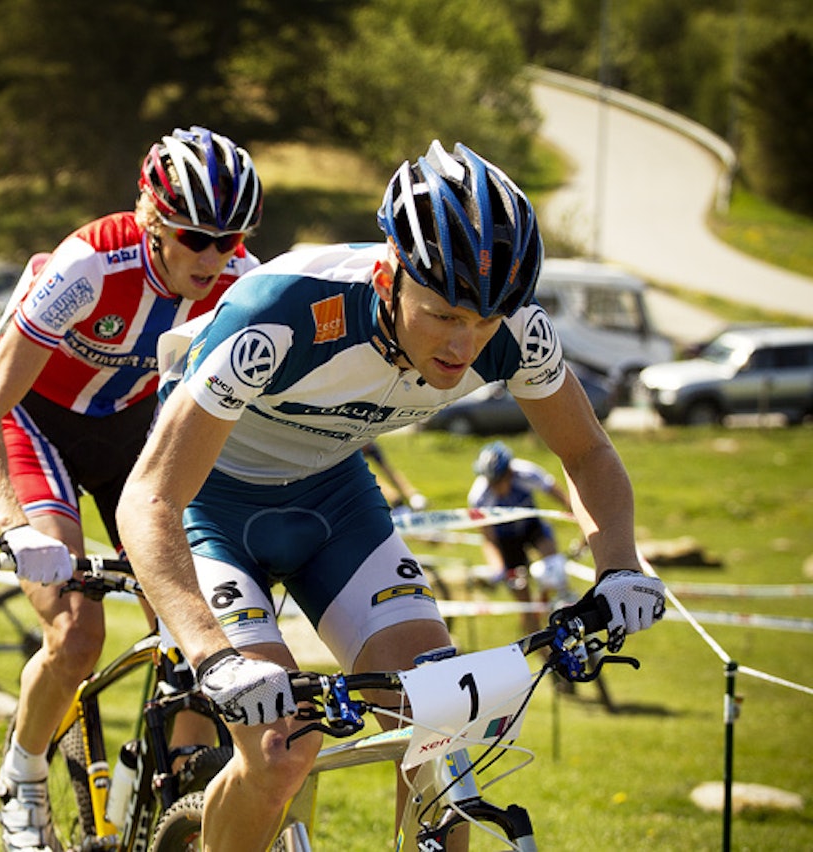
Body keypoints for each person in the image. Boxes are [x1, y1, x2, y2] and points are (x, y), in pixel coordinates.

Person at [116, 140, 667, 852]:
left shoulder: (516, 331)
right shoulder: (285, 309)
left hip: (333, 501)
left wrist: (620, 563)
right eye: (442, 314)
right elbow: (151, 496)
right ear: (388, 276)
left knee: (440, 717)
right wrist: (214, 655)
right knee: (281, 747)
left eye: (486, 320)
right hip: (210, 502)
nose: (465, 344)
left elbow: (587, 452)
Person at [0, 125, 263, 850]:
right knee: (77, 630)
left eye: (231, 240)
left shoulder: (245, 280)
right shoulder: (92, 264)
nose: (213, 257)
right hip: (36, 424)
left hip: (131, 432)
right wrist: (14, 528)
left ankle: (182, 789)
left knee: (193, 625)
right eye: (195, 237)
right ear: (153, 217)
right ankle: (23, 773)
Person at [468, 440, 572, 631]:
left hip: (532, 529)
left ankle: (555, 601)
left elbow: (562, 498)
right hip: (506, 541)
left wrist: (581, 520)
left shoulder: (526, 473)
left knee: (554, 571)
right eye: (491, 482)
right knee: (524, 602)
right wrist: (498, 570)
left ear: (509, 472)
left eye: (499, 480)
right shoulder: (480, 497)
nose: (496, 487)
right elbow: (489, 539)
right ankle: (541, 645)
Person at [361, 442, 427, 515]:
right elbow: (368, 476)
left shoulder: (370, 446)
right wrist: (394, 497)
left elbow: (389, 471)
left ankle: (411, 496)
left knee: (387, 470)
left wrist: (411, 493)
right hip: (353, 450)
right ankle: (396, 502)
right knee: (366, 475)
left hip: (364, 444)